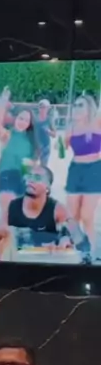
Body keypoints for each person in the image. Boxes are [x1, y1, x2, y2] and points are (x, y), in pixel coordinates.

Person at [0, 163, 92, 263]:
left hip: (45, 260)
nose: (31, 180)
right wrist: (3, 232)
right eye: (29, 176)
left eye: (37, 178)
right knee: (5, 241)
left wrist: (67, 240)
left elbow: (81, 241)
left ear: (47, 188)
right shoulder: (14, 207)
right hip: (20, 261)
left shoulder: (57, 209)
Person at [65, 93, 101, 255]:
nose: (77, 108)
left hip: (94, 170)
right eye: (75, 105)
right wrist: (61, 144)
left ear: (89, 108)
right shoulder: (70, 127)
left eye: (81, 105)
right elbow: (63, 149)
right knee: (73, 217)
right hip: (75, 170)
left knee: (87, 216)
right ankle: (78, 249)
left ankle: (91, 251)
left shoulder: (97, 122)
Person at [0, 87, 38, 215]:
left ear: (30, 124)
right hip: (7, 175)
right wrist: (3, 101)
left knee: (21, 215)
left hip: (24, 178)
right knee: (8, 213)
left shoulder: (31, 140)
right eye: (21, 118)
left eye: (26, 120)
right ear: (15, 118)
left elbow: (34, 164)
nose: (22, 122)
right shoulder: (8, 135)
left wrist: (32, 165)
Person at [37, 98, 56, 166]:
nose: (42, 109)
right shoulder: (34, 119)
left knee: (43, 167)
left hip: (45, 147)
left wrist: (48, 131)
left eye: (44, 107)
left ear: (48, 109)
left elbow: (54, 135)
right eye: (41, 107)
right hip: (35, 146)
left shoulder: (49, 120)